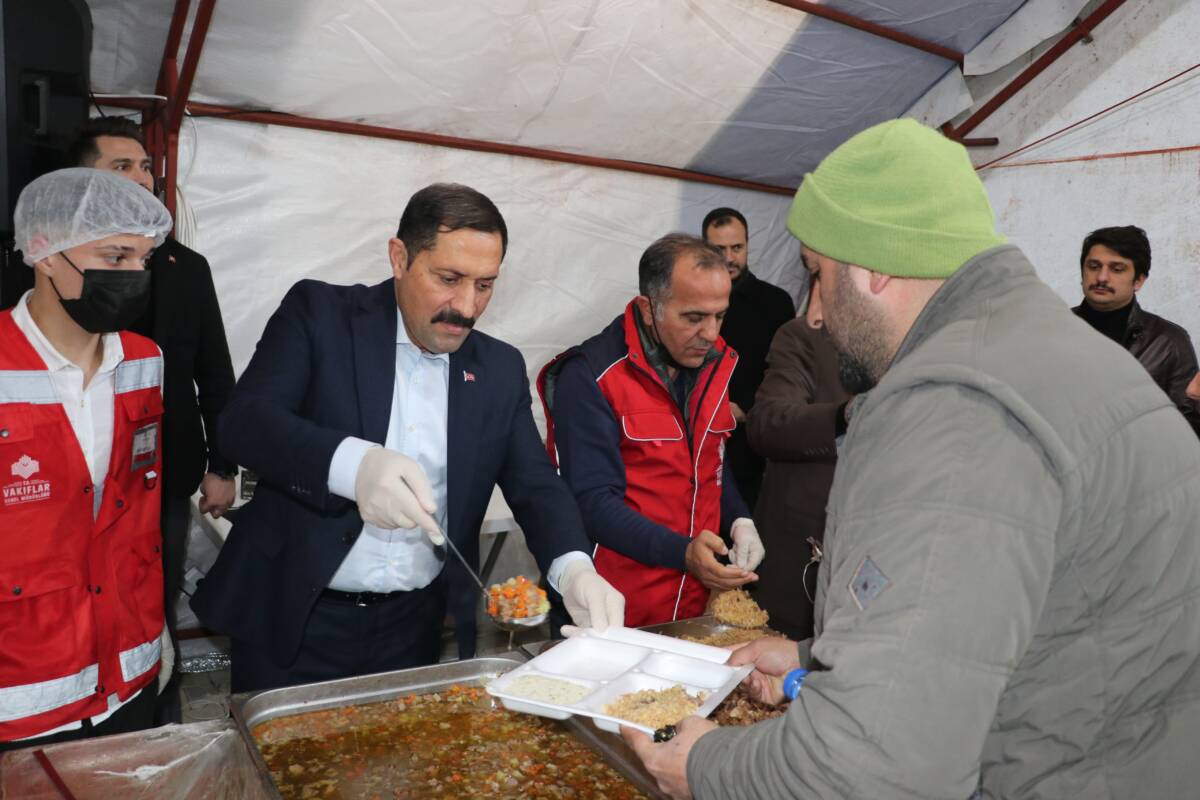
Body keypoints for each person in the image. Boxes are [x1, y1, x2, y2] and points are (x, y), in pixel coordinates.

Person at [621, 120, 1200, 799]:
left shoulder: (954, 409)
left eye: (819, 277)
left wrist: (704, 767)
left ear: (875, 269)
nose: (814, 312)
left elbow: (875, 767)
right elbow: (1019, 614)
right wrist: (819, 658)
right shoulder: (1067, 353)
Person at [191, 183, 623, 692]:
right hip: (295, 617)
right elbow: (245, 422)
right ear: (400, 258)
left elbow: (535, 485)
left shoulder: (498, 368)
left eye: (485, 285)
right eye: (449, 279)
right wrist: (352, 466)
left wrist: (574, 569)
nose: (466, 306)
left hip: (413, 628)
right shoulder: (321, 315)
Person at [67, 116, 239, 718]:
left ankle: (156, 715)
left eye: (146, 167)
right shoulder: (50, 265)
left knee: (153, 597)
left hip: (164, 473)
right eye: (122, 167)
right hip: (69, 475)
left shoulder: (186, 267)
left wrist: (225, 465)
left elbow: (215, 371)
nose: (142, 179)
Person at [0, 168, 174, 748]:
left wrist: (155, 633)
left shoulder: (145, 362)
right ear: (45, 253)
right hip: (22, 695)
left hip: (128, 676)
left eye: (143, 262)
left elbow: (135, 509)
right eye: (116, 256)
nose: (133, 277)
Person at [538, 234, 764, 628]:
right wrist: (683, 553)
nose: (711, 334)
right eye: (693, 317)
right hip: (615, 609)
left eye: (720, 315)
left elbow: (707, 458)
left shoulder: (713, 363)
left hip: (695, 604)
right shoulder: (593, 375)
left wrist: (740, 519)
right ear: (648, 309)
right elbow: (590, 502)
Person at [744, 305, 848, 640]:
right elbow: (767, 424)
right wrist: (844, 417)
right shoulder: (806, 336)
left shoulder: (939, 349)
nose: (816, 306)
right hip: (801, 569)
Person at [702, 208, 795, 509]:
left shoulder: (775, 304)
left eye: (736, 248)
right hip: (696, 447)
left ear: (747, 245)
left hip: (751, 453)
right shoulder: (692, 302)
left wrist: (747, 412)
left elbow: (787, 377)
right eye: (719, 249)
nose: (729, 257)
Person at [1071, 225, 1200, 435]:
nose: (1102, 277)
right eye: (1094, 266)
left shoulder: (1168, 342)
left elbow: (1188, 431)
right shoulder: (1054, 329)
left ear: (1138, 280)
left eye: (1117, 269)